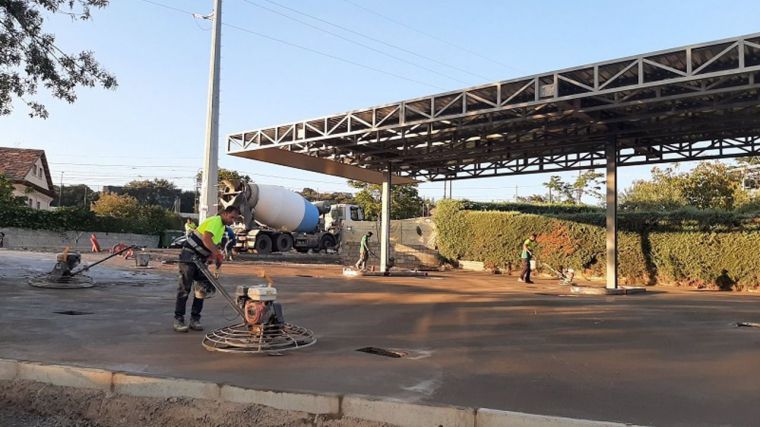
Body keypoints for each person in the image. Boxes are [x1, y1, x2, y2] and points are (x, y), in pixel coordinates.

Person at [174, 206, 240, 333]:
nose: (233, 221)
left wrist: (212, 257)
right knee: (184, 288)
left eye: (235, 219)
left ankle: (195, 319)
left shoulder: (222, 227)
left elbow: (212, 244)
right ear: (225, 214)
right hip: (189, 255)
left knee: (202, 289)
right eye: (232, 217)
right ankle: (179, 319)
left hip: (199, 258)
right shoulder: (216, 221)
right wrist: (217, 254)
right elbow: (206, 239)